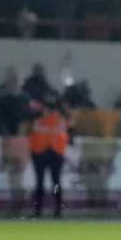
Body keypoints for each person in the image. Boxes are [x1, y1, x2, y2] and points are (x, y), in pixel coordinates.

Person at [29, 89, 70, 218]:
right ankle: (38, 210)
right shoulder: (37, 116)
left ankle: (57, 209)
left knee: (55, 182)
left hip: (54, 152)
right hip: (41, 152)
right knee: (41, 182)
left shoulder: (61, 117)